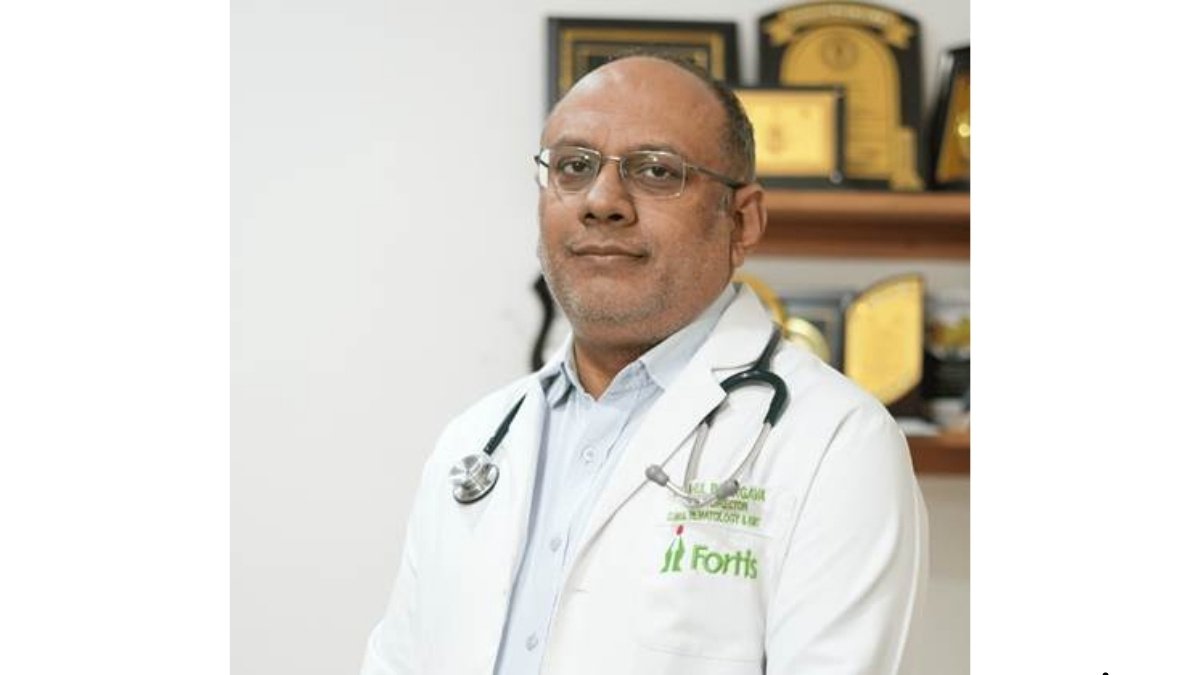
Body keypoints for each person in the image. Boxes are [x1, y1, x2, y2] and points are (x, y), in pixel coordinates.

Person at [360, 54, 927, 675]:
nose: (602, 201)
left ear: (742, 221)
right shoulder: (473, 442)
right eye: (573, 167)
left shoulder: (838, 443)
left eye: (657, 171)